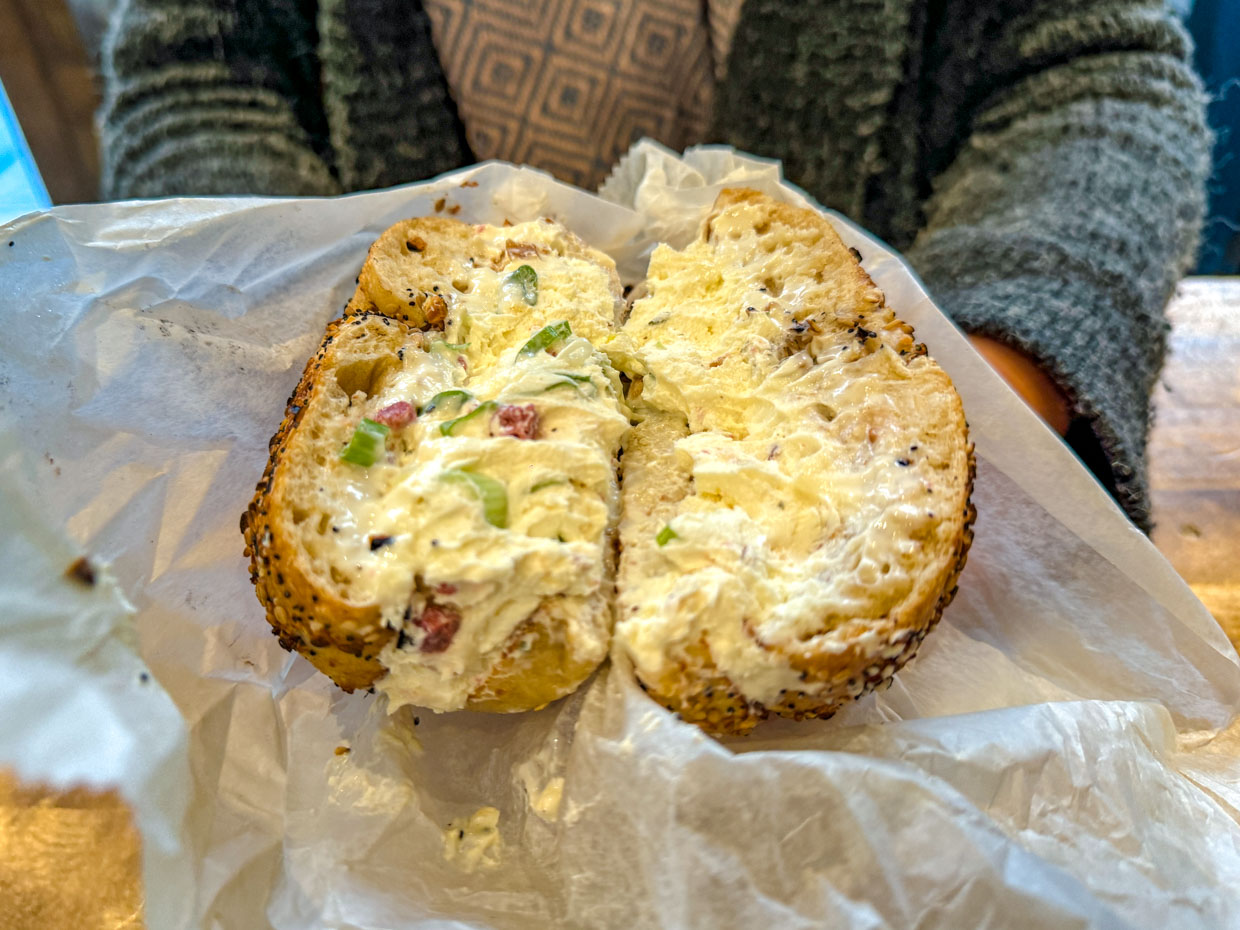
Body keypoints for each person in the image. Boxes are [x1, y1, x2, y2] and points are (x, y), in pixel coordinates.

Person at [98, 0, 1212, 531]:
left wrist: (984, 393)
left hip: (884, 484)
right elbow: (202, 73)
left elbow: (1086, 69)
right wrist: (308, 371)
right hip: (394, 497)